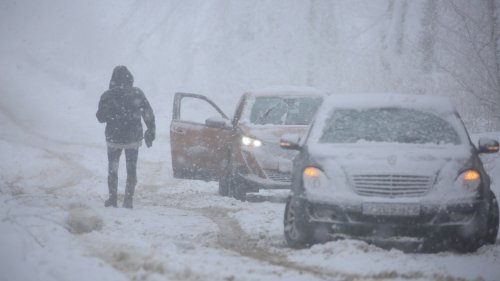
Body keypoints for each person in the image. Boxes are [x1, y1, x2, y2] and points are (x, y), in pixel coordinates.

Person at [96, 65, 155, 209]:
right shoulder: (137, 93)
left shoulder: (107, 95)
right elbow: (148, 114)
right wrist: (151, 131)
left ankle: (112, 200)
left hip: (113, 139)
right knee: (131, 169)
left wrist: (110, 108)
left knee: (113, 170)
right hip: (132, 139)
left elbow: (100, 118)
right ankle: (128, 201)